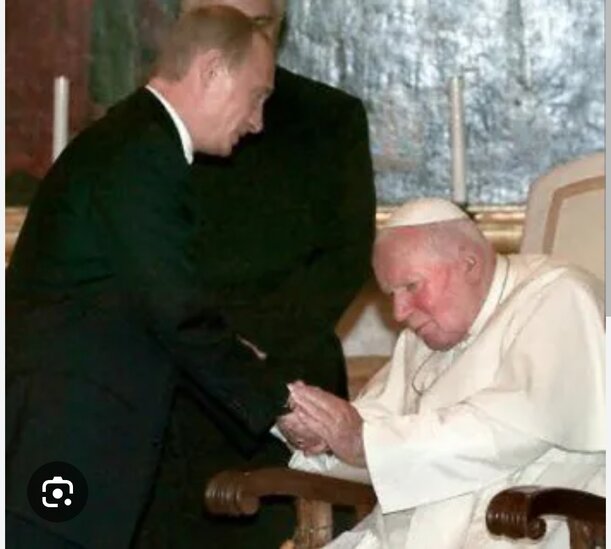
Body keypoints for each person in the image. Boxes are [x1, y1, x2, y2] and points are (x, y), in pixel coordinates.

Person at [6, 7, 300, 548]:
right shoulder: (140, 154)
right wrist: (279, 406)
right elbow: (177, 311)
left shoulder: (136, 141)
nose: (258, 121)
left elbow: (137, 300)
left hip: (70, 438)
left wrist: (235, 353)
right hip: (65, 442)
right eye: (256, 96)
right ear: (212, 70)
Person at [135, 0, 375, 547]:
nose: (240, 37)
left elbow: (345, 255)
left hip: (291, 375)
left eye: (258, 24)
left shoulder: (328, 116)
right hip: (175, 386)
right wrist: (209, 345)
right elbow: (146, 263)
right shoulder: (150, 121)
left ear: (280, 25)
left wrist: (256, 346)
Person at [282, 198, 605, 548]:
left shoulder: (560, 296)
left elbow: (506, 432)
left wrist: (361, 441)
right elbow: (375, 426)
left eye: (411, 286)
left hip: (522, 533)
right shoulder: (427, 334)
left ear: (470, 265)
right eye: (391, 294)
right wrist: (320, 434)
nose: (399, 312)